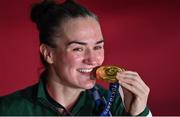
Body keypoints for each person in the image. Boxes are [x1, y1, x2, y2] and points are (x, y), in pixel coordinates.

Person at [0, 0, 152, 116]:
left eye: (98, 47)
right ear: (48, 53)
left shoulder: (119, 105)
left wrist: (139, 114)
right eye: (78, 48)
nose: (93, 60)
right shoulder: (9, 110)